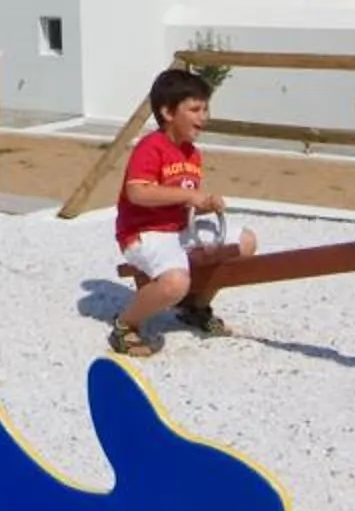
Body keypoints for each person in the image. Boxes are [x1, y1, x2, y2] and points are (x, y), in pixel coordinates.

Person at [109, 66, 258, 357]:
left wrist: (204, 204)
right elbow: (137, 192)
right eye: (195, 109)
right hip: (144, 233)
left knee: (245, 242)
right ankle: (125, 324)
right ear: (168, 112)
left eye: (205, 109)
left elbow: (178, 201)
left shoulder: (192, 153)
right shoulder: (151, 147)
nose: (204, 116)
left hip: (178, 229)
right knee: (175, 282)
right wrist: (191, 195)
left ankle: (195, 306)